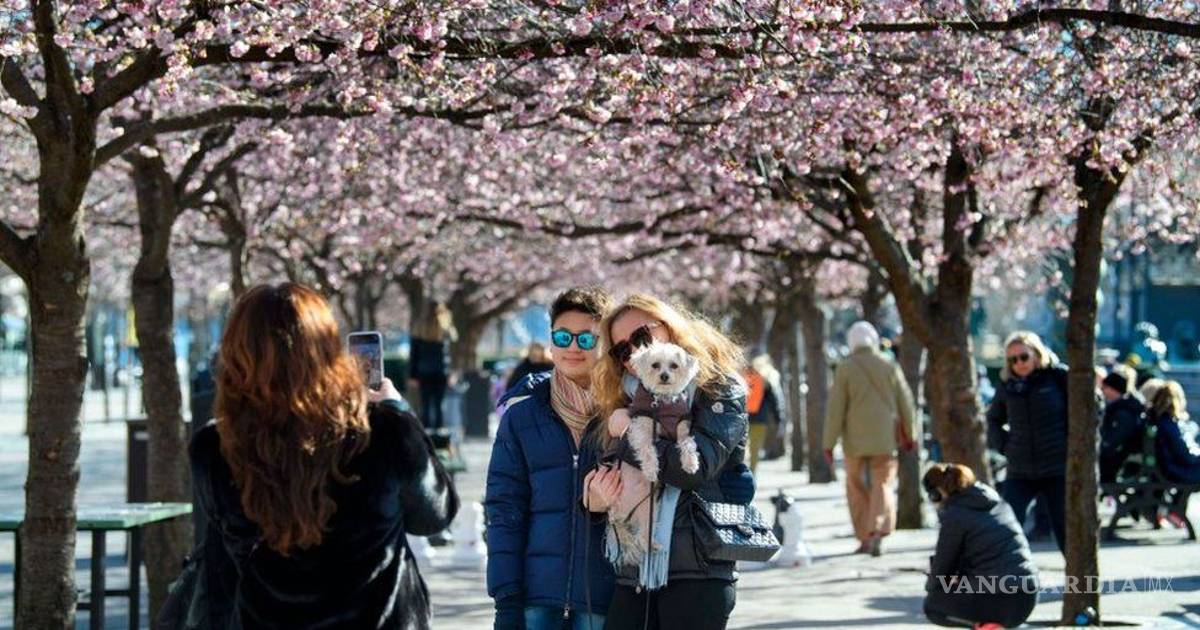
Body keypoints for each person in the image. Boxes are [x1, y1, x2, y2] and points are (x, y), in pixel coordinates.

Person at [190, 283, 459, 629]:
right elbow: (434, 516)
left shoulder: (217, 447)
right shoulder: (382, 430)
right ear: (328, 349)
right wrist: (399, 411)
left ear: (236, 353)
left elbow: (225, 559)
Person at [583, 293, 752, 630]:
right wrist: (591, 500)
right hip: (634, 567)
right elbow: (608, 476)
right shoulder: (625, 397)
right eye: (622, 350)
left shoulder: (718, 389)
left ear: (670, 327)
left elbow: (693, 469)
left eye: (642, 336)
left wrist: (630, 432)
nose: (635, 352)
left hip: (698, 568)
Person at [486, 287, 617, 630]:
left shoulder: (624, 415)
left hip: (604, 597)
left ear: (604, 344)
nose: (573, 347)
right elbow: (504, 510)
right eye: (562, 336)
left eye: (586, 339)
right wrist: (506, 596)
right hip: (536, 598)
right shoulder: (521, 418)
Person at [823, 321, 917, 557]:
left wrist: (828, 443)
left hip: (854, 439)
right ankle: (878, 529)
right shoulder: (889, 364)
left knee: (855, 487)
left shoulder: (845, 368)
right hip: (885, 437)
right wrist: (911, 433)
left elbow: (835, 409)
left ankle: (864, 538)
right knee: (883, 483)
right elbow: (905, 401)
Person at [922, 464, 1039, 629]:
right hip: (1027, 597)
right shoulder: (999, 504)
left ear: (937, 494)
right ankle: (989, 625)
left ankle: (988, 626)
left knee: (933, 606)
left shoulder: (955, 515)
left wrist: (932, 584)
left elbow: (942, 569)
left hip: (1000, 597)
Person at [986, 331, 1068, 554]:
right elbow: (993, 419)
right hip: (1020, 468)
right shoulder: (1007, 386)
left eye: (1024, 357)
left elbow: (1088, 407)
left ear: (1037, 354)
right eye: (1013, 360)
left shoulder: (1058, 377)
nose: (1019, 364)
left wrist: (1069, 446)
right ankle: (1006, 572)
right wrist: (1005, 447)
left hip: (1056, 466)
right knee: (1006, 525)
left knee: (1065, 529)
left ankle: (1077, 575)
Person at [409, 303, 456, 430]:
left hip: (423, 372)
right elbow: (448, 355)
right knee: (439, 405)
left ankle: (426, 433)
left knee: (425, 405)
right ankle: (439, 433)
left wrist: (412, 375)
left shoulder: (419, 330)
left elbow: (414, 355)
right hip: (440, 372)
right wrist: (451, 372)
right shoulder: (445, 329)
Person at [1099, 365, 1145, 483]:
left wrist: (1100, 449)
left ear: (1112, 388)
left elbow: (1113, 441)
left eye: (1104, 388)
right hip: (1124, 459)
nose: (1102, 391)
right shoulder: (1128, 408)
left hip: (1119, 463)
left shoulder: (1123, 412)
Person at [1149, 380, 1200, 484]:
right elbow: (1187, 457)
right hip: (1174, 471)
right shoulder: (1168, 424)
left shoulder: (1160, 421)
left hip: (1169, 468)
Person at [744, 353, 783, 471]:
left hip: (743, 417)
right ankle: (752, 472)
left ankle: (740, 471)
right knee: (755, 448)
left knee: (742, 447)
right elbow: (773, 401)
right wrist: (778, 418)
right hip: (759, 419)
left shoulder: (745, 377)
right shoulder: (765, 380)